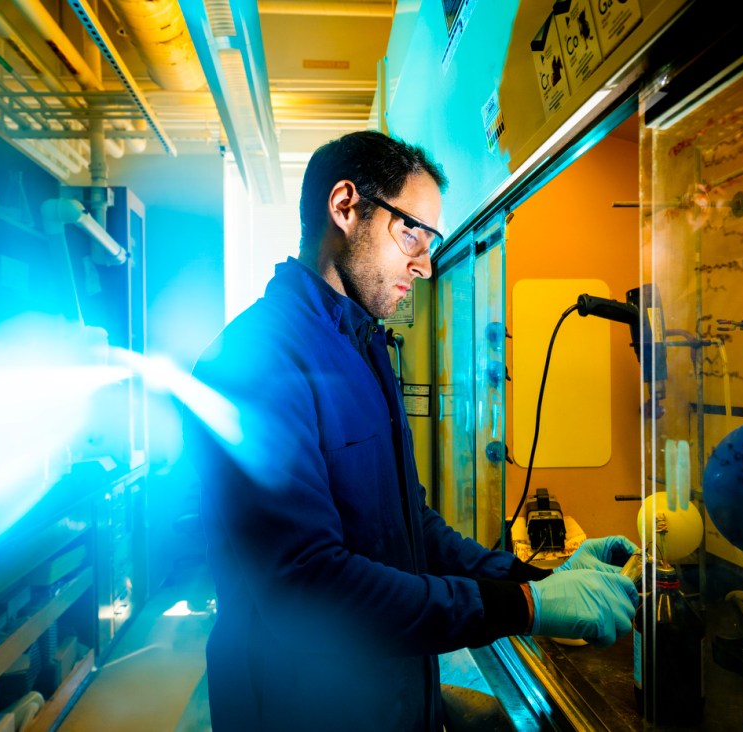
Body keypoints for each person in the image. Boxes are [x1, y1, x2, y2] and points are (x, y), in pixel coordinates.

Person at [183, 130, 640, 732]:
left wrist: (538, 578)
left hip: (394, 698)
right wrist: (526, 608)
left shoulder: (367, 346)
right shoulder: (251, 362)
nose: (425, 265)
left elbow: (410, 525)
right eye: (413, 232)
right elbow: (311, 585)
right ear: (345, 207)